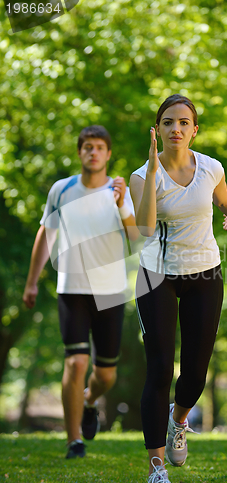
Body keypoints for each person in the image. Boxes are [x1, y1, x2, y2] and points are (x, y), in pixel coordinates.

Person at [130, 94, 227, 483]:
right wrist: (154, 162)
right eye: (167, 123)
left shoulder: (211, 167)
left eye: (182, 123)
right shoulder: (143, 175)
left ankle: (179, 421)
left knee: (195, 371)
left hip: (204, 273)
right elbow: (143, 228)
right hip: (157, 275)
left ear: (194, 130)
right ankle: (155, 470)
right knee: (160, 368)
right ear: (157, 130)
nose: (175, 129)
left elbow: (224, 200)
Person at [23, 125, 138, 459]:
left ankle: (90, 400)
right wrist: (31, 282)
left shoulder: (120, 190)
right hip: (71, 289)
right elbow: (46, 236)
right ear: (80, 152)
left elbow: (136, 239)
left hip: (110, 292)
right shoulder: (62, 189)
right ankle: (74, 440)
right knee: (75, 362)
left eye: (100, 147)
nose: (93, 152)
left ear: (108, 153)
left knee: (106, 375)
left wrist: (120, 205)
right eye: (88, 146)